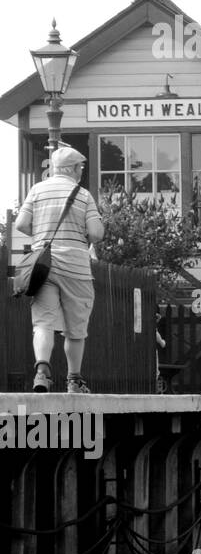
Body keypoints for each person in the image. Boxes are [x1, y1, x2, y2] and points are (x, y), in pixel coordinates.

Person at [13, 146, 105, 393]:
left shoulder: (36, 190)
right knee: (75, 330)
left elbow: (21, 223)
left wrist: (41, 237)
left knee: (43, 324)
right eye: (81, 168)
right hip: (76, 269)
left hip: (44, 266)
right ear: (74, 168)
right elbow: (96, 233)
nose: (81, 172)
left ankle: (42, 373)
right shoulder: (83, 195)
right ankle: (74, 381)